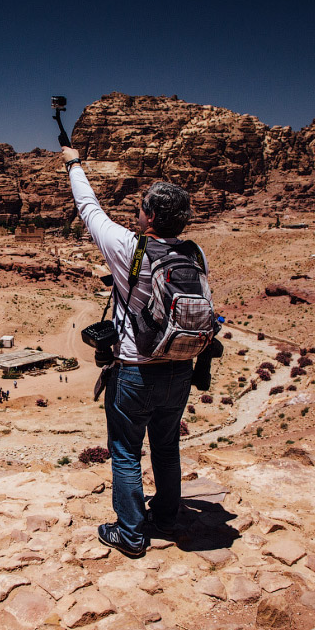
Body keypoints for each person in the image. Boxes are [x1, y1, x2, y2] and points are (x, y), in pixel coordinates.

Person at [62, 145, 203, 558]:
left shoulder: (129, 247)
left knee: (125, 451)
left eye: (142, 209)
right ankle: (168, 516)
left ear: (152, 217)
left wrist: (73, 164)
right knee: (166, 446)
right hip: (179, 369)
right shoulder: (194, 254)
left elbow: (89, 209)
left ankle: (131, 533)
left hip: (135, 372)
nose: (137, 215)